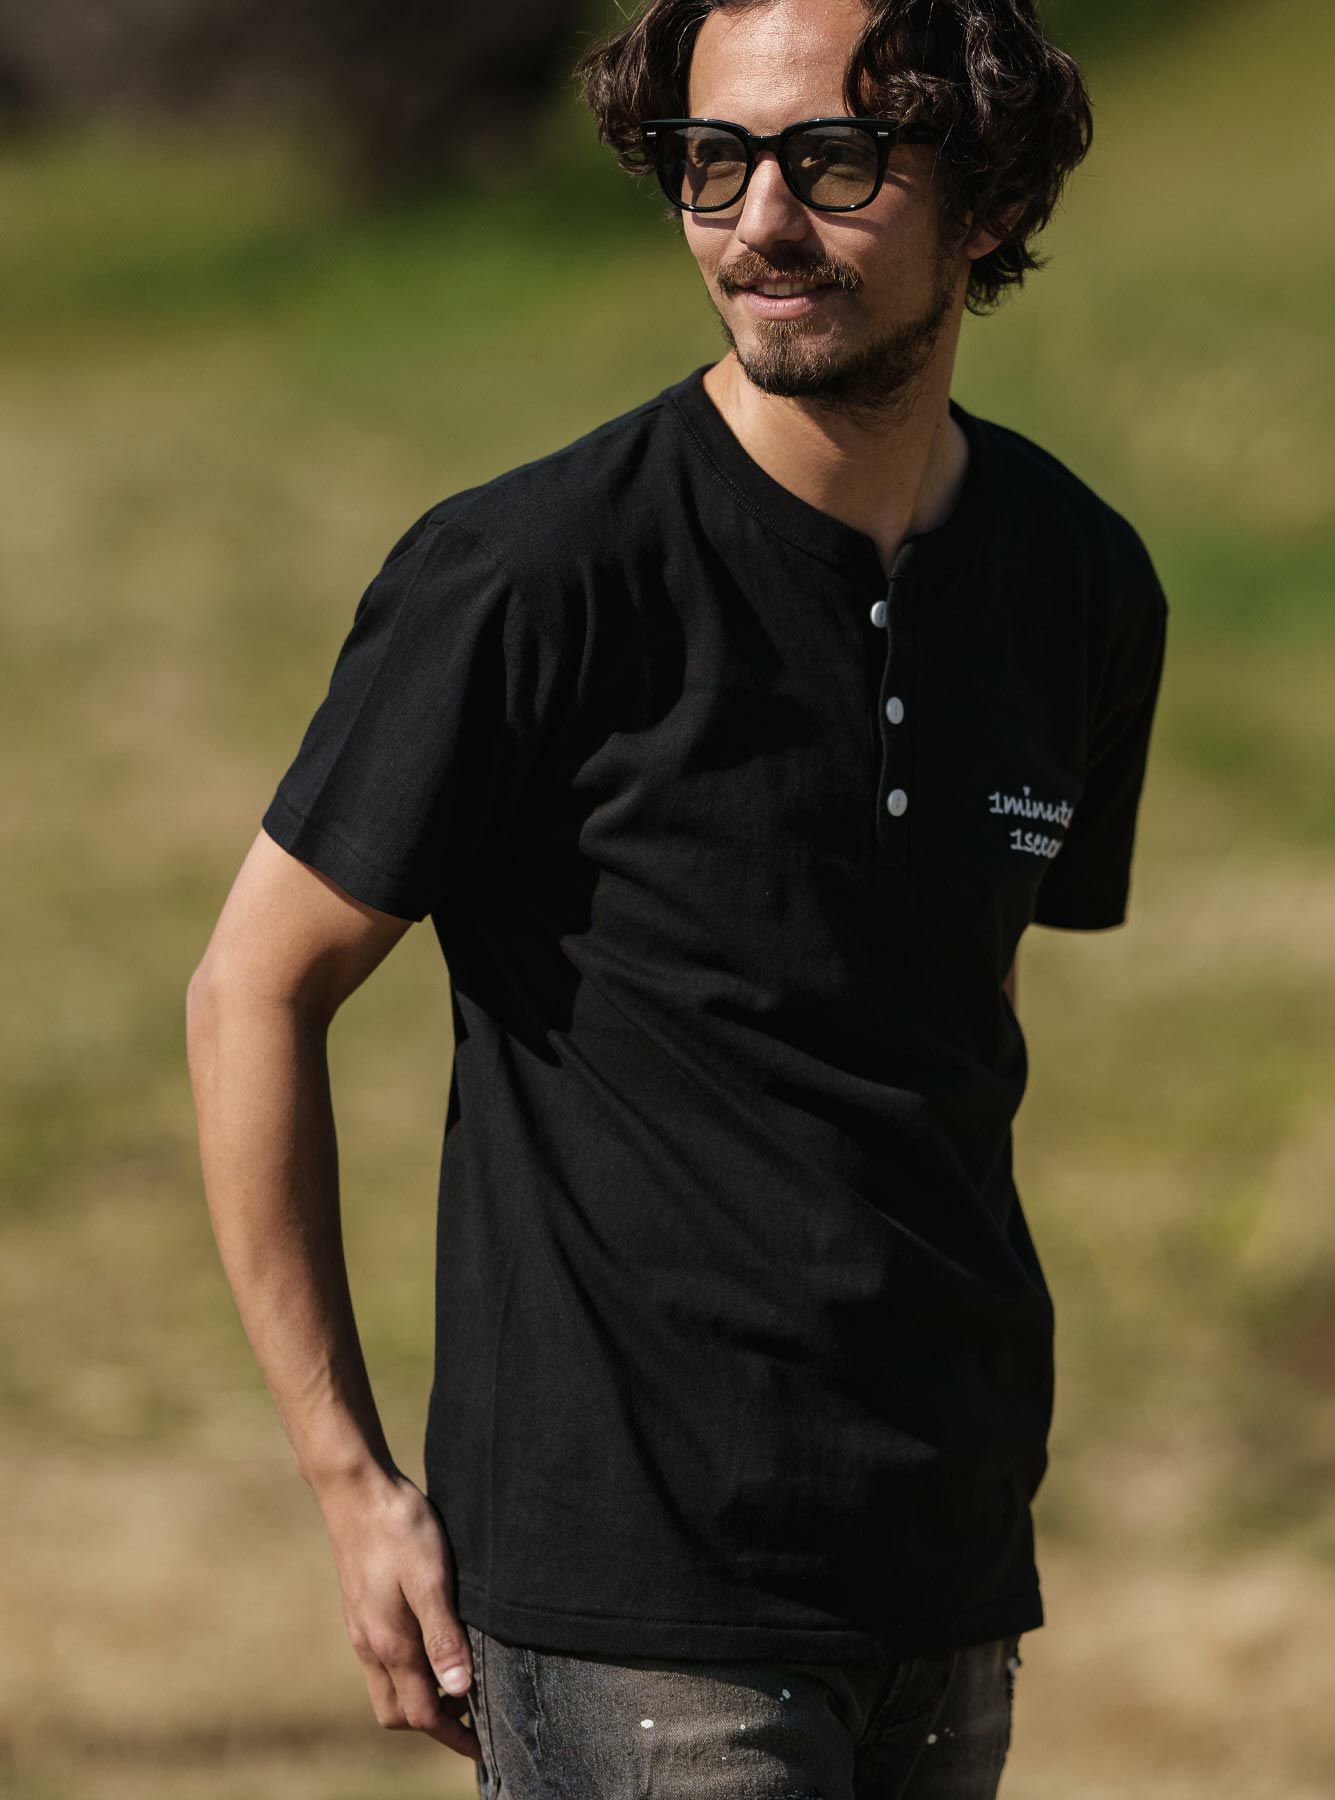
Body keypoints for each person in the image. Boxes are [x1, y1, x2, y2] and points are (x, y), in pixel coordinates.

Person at [185, 0, 1169, 1794]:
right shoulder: (532, 574)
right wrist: (348, 1478)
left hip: (946, 1556)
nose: (759, 221)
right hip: (633, 1590)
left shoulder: (1079, 580)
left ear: (998, 201)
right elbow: (254, 985)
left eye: (837, 161)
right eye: (712, 162)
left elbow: (961, 1017)